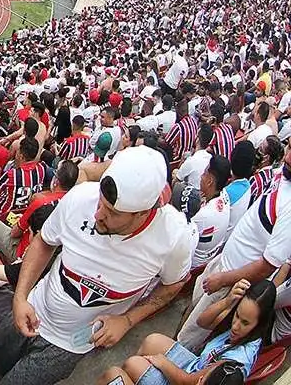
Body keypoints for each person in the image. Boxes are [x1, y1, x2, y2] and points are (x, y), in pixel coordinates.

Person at [0, 147, 195, 385]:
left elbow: (174, 283)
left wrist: (127, 321)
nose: (97, 215)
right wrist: (21, 296)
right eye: (100, 203)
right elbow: (44, 241)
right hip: (34, 307)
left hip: (71, 345)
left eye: (112, 213)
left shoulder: (174, 238)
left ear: (143, 213)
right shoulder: (81, 197)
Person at [177, 138, 291, 349]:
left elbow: (268, 265)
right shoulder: (280, 175)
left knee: (189, 336)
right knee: (192, 309)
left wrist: (223, 279)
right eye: (290, 147)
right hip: (224, 261)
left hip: (230, 279)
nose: (289, 157)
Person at [99, 279, 275, 385]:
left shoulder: (235, 365)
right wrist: (228, 301)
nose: (235, 326)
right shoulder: (239, 326)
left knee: (128, 366)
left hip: (188, 379)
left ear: (258, 324)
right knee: (152, 341)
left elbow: (190, 382)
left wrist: (162, 363)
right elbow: (203, 321)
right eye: (237, 316)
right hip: (194, 366)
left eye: (245, 322)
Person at [0, 136, 49, 221]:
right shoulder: (42, 168)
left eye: (17, 151)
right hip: (25, 211)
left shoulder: (11, 174)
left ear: (21, 156)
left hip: (4, 214)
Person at [188, 154, 233, 267]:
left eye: (204, 173)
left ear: (210, 181)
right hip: (208, 258)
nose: (201, 177)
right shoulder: (225, 197)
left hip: (192, 265)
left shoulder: (202, 215)